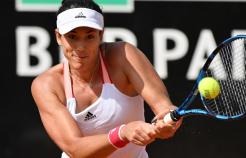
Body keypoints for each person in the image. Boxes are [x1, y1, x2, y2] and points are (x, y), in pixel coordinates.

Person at [31, 0, 182, 157]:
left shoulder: (124, 56)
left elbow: (164, 107)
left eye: (89, 36)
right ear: (58, 37)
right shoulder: (47, 85)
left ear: (101, 35)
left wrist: (168, 122)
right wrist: (123, 133)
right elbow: (75, 149)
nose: (81, 47)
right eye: (72, 36)